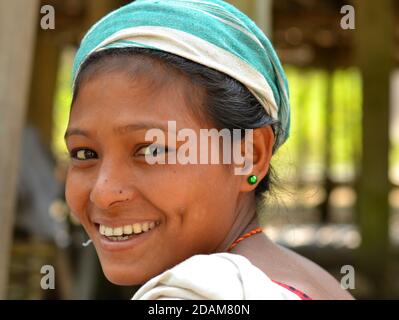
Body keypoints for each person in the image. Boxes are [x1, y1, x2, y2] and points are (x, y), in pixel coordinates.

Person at [65, 0, 353, 300]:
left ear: (248, 156)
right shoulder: (314, 284)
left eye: (151, 151)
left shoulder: (194, 295)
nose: (104, 192)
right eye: (85, 154)